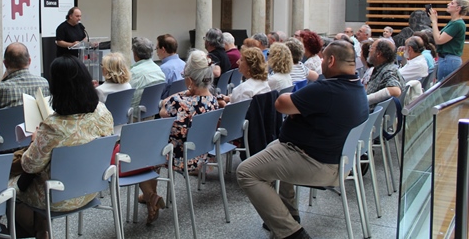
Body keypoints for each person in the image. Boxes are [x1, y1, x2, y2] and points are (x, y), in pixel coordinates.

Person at [236, 41, 369, 239]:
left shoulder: (328, 90)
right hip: (337, 159)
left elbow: (281, 103)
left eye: (324, 58)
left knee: (246, 172)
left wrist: (295, 109)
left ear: (331, 60)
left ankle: (291, 232)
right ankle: (290, 214)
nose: (321, 62)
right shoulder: (357, 87)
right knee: (274, 148)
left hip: (315, 163)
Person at [10, 56, 113, 238]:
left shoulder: (54, 126)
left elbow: (29, 166)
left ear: (56, 88)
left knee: (10, 189)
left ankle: (38, 231)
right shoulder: (103, 111)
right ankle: (41, 229)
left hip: (56, 197)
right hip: (90, 188)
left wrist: (34, 141)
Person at [159, 50, 219, 174]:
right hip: (202, 154)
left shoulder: (178, 102)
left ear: (190, 81)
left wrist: (181, 94)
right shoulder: (213, 100)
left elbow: (163, 110)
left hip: (179, 157)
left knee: (146, 148)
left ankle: (150, 193)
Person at [0, 42, 50, 111]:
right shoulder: (44, 83)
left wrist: (0, 81)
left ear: (5, 64)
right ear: (29, 61)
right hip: (35, 127)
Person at [430, 0, 469, 81]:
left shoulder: (458, 24)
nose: (448, 4)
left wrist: (434, 21)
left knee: (445, 91)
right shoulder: (453, 22)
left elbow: (438, 40)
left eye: (452, 3)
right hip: (447, 60)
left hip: (449, 60)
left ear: (458, 8)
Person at [129, 37, 166, 109]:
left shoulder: (133, 73)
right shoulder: (159, 70)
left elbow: (127, 95)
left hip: (134, 116)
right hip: (152, 112)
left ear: (135, 54)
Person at [366, 39, 405, 106]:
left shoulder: (388, 71)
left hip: (371, 115)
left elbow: (395, 91)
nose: (369, 50)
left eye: (371, 48)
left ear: (378, 53)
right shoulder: (383, 68)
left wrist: (364, 99)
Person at [156, 34, 186, 98]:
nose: (156, 52)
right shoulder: (185, 65)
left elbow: (158, 93)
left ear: (163, 50)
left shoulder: (164, 69)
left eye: (157, 48)